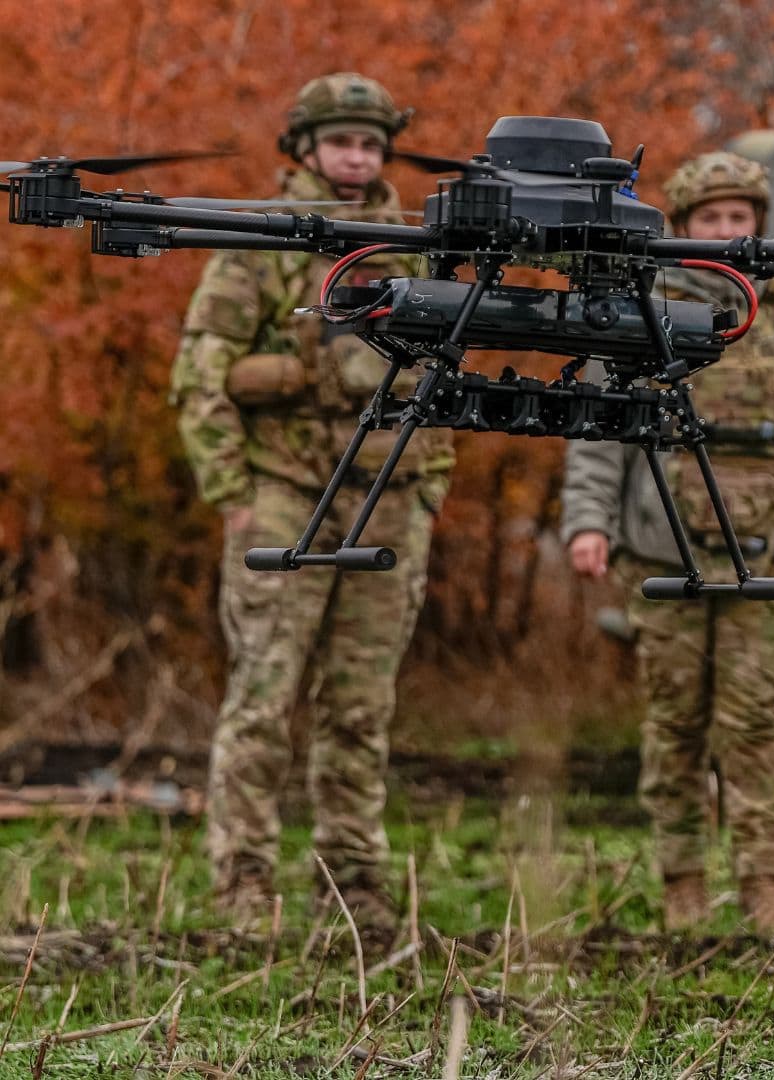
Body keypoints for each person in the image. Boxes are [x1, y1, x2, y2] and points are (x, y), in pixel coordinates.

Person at [561, 151, 774, 934]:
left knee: (756, 720)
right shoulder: (644, 308)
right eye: (712, 219)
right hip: (662, 556)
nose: (727, 232)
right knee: (674, 723)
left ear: (758, 225)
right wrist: (588, 523)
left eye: (740, 218)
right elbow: (597, 429)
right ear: (685, 225)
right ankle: (683, 881)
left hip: (766, 562)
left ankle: (765, 882)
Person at [171, 72, 451, 940]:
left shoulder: (415, 245)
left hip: (388, 499)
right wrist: (234, 498)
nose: (356, 158)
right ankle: (244, 883)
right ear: (304, 147)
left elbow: (449, 384)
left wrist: (431, 490)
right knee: (265, 694)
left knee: (361, 707)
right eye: (340, 142)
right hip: (285, 494)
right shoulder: (261, 241)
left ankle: (355, 885)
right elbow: (199, 376)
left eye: (370, 144)